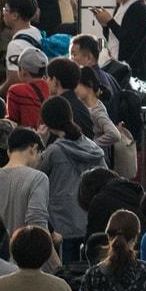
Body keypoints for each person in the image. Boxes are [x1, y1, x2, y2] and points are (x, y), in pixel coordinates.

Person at [39, 96, 104, 262]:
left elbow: (34, 177)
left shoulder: (53, 152)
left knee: (67, 272)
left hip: (62, 224)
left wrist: (41, 142)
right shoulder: (93, 148)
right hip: (91, 220)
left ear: (48, 122)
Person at [92, 0, 146, 78]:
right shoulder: (122, 6)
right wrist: (105, 25)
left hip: (133, 69)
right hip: (118, 64)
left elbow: (128, 39)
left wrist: (110, 21)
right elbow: (114, 37)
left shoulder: (138, 8)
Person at [0, 128, 49, 238]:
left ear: (9, 152)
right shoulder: (38, 178)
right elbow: (37, 223)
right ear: (34, 148)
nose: (38, 162)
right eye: (40, 157)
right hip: (26, 251)